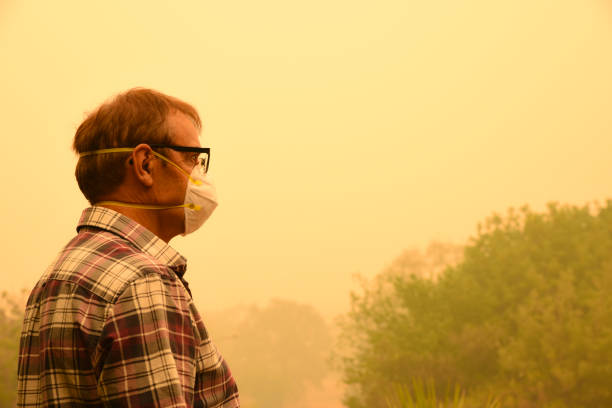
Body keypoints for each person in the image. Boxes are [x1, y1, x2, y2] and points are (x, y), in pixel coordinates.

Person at [17, 88, 240, 407]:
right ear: (145, 164)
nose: (200, 175)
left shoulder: (56, 278)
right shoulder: (141, 282)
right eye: (192, 158)